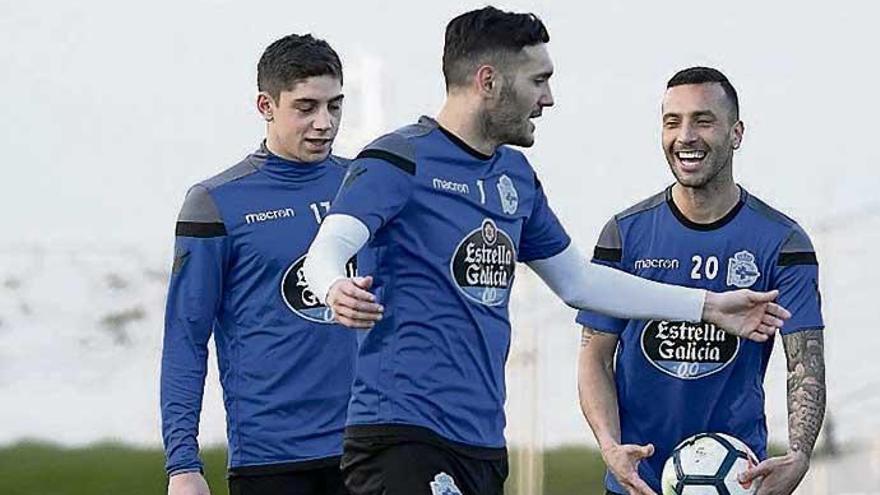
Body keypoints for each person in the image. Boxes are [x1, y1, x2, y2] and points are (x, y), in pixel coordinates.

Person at [304, 9, 789, 495]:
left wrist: (707, 306)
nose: (548, 98)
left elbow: (580, 282)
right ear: (488, 81)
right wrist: (333, 286)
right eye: (539, 80)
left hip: (482, 443)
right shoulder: (399, 159)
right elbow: (327, 248)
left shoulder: (515, 178)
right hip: (401, 434)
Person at [576, 67, 825, 495]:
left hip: (737, 482)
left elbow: (804, 364)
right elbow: (595, 356)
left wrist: (800, 455)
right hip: (638, 484)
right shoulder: (624, 235)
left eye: (703, 120)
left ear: (736, 133)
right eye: (672, 122)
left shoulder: (782, 242)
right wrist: (609, 445)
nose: (685, 136)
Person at [161, 33, 362, 495]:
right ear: (265, 106)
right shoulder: (215, 203)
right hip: (271, 460)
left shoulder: (364, 186)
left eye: (335, 106)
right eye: (306, 107)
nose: (323, 123)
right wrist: (182, 464)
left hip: (367, 449)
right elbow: (185, 339)